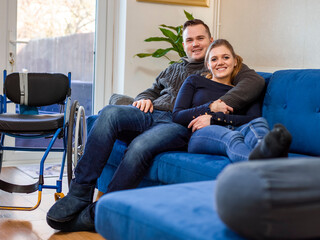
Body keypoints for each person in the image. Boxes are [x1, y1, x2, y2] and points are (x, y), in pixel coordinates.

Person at [46, 19, 266, 232]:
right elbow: (152, 90)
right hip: (151, 113)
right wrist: (143, 98)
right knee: (108, 113)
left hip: (177, 123)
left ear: (211, 40)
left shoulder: (220, 65)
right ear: (184, 44)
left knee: (140, 147)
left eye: (201, 38)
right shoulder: (173, 68)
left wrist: (217, 109)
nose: (195, 44)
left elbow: (255, 82)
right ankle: (79, 192)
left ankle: (101, 212)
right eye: (190, 40)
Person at [173, 39, 292, 162]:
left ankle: (270, 155)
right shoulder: (194, 81)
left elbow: (253, 118)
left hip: (236, 127)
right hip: (201, 134)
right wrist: (210, 108)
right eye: (214, 59)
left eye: (225, 57)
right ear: (208, 65)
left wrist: (215, 119)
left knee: (258, 125)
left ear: (235, 61)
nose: (220, 62)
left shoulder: (244, 89)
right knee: (232, 137)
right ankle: (264, 162)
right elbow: (177, 116)